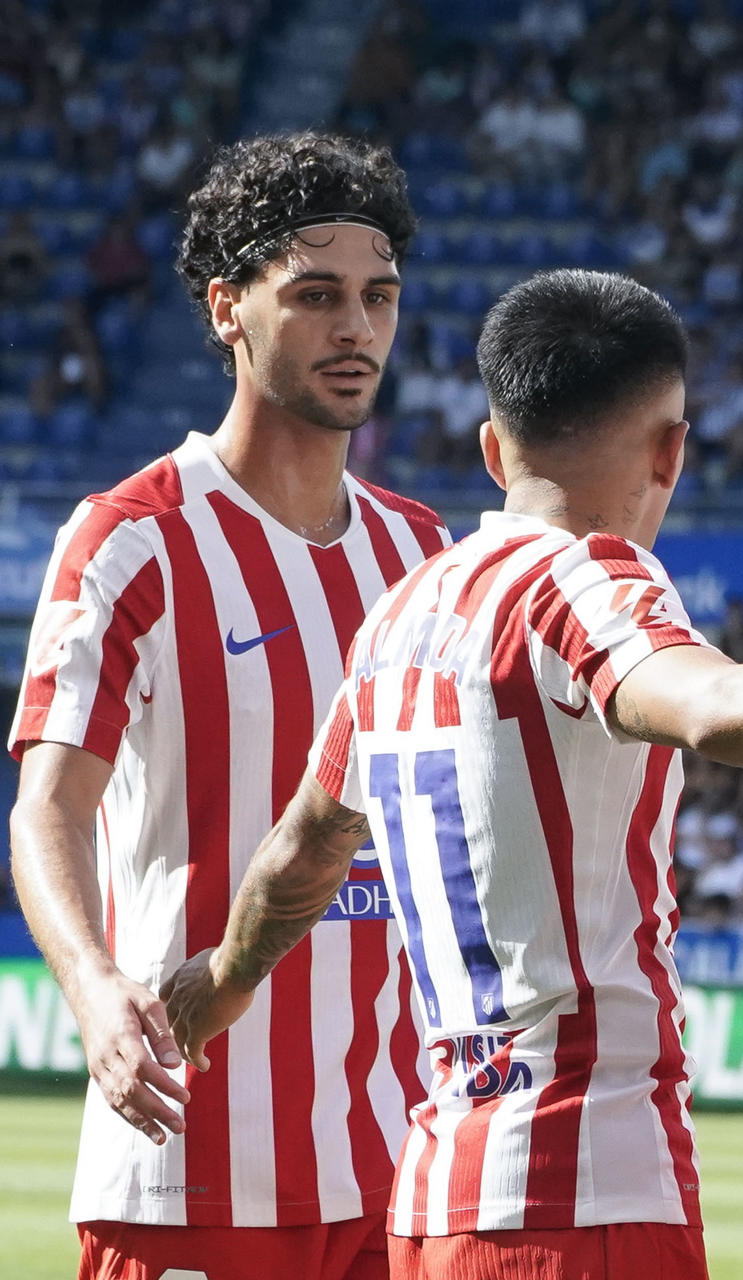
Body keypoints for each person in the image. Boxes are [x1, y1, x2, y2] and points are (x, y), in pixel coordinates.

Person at [160, 269, 743, 1280]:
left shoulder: (396, 616)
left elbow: (303, 849)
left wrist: (222, 979)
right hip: (584, 1188)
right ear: (670, 449)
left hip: (429, 1195)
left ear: (493, 446)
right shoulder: (586, 574)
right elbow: (713, 706)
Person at [8, 132, 447, 1280]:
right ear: (226, 310)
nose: (356, 329)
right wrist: (100, 995)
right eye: (314, 296)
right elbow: (45, 807)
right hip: (190, 1160)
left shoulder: (421, 550)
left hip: (397, 1167)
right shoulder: (132, 538)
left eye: (377, 296)